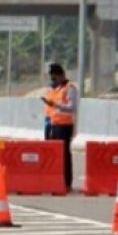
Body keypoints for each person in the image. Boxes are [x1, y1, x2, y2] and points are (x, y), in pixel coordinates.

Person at [42, 63, 78, 191]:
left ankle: (67, 183)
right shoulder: (53, 89)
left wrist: (55, 105)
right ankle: (55, 181)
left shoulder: (70, 88)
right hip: (53, 124)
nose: (54, 81)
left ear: (62, 75)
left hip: (65, 126)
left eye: (55, 78)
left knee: (64, 155)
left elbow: (71, 107)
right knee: (53, 155)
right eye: (52, 78)